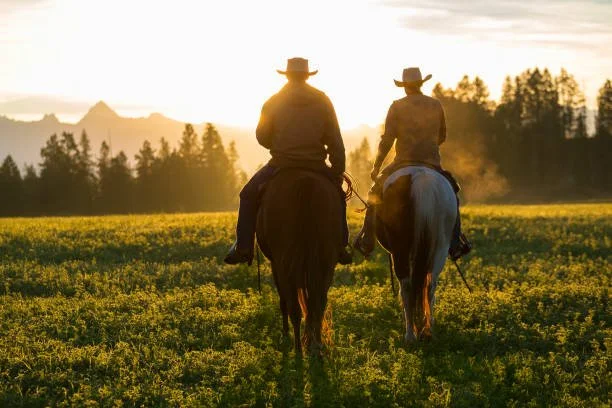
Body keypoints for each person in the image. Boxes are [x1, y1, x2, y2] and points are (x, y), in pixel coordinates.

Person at [224, 57, 352, 265]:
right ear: (307, 75)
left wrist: (279, 144)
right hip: (316, 164)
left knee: (247, 195)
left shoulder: (274, 100)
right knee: (337, 195)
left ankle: (244, 247)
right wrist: (337, 169)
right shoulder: (323, 100)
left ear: (287, 74)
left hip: (281, 164)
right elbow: (335, 138)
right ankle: (340, 246)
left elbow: (262, 136)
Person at [353, 67, 472, 260]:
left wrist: (377, 166)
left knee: (375, 193)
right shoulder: (435, 104)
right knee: (452, 192)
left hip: (402, 162)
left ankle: (367, 238)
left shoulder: (397, 106)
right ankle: (455, 241)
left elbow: (387, 139)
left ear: (404, 86)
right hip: (431, 162)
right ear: (421, 84)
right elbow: (442, 136)